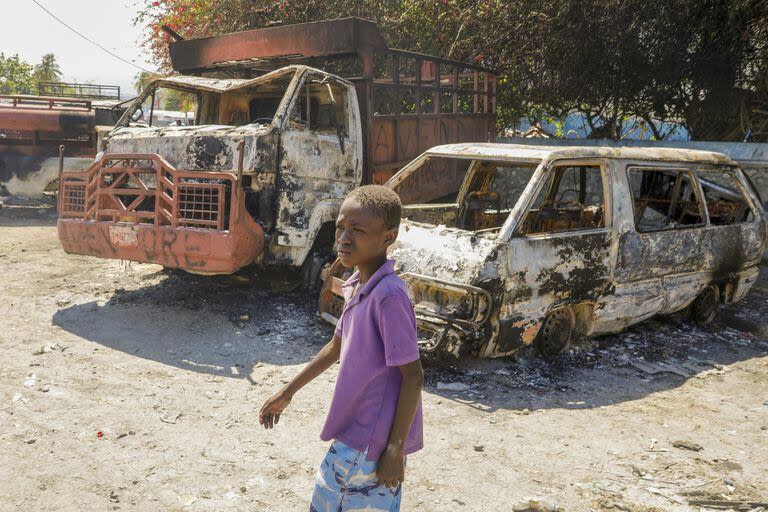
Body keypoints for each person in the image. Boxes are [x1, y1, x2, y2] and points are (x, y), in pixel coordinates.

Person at [259, 184, 424, 512]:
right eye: (341, 228)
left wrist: (394, 449)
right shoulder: (358, 285)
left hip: (368, 441)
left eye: (358, 230)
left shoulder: (389, 296)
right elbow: (335, 347)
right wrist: (287, 392)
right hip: (355, 432)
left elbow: (413, 376)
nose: (344, 238)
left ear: (388, 237)